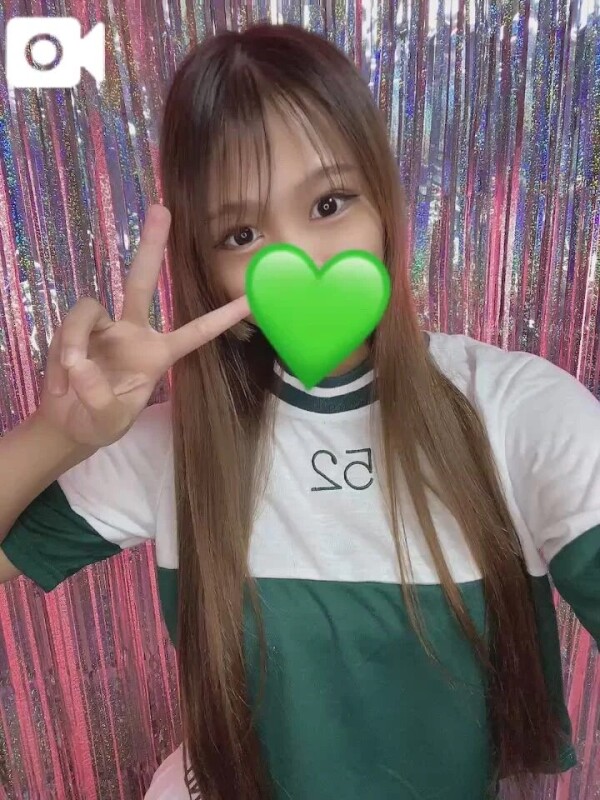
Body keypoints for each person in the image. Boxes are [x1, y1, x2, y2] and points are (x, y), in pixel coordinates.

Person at [0, 21, 598, 800]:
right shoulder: (178, 444)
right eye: (242, 233)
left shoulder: (521, 413)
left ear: (383, 202)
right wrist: (58, 435)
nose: (298, 259)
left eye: (329, 202)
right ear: (206, 266)